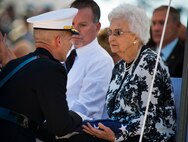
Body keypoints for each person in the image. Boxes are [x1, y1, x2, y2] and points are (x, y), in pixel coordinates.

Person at [81, 3, 176, 142]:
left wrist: (116, 137)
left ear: (136, 37)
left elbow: (148, 117)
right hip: (121, 131)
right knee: (79, 132)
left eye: (118, 33)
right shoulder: (119, 67)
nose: (111, 38)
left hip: (149, 137)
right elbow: (114, 113)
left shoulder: (150, 62)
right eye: (110, 32)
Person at [0, 8, 84, 142]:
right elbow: (61, 126)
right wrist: (79, 117)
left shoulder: (16, 64)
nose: (70, 46)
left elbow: (30, 119)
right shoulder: (52, 69)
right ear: (58, 41)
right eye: (70, 40)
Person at [66, 0, 114, 120]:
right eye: (72, 23)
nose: (75, 29)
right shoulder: (66, 52)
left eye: (82, 25)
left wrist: (50, 112)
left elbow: (85, 109)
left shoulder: (101, 61)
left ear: (97, 27)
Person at [150, 5, 185, 77]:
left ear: (177, 26)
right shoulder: (143, 54)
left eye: (162, 23)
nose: (156, 28)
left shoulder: (184, 56)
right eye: (153, 23)